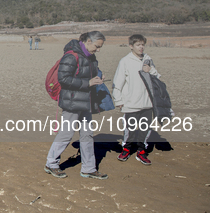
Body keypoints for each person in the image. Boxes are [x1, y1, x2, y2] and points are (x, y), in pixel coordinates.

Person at [45, 31, 108, 179]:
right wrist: (88, 83)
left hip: (86, 101)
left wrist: (99, 76)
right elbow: (63, 79)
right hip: (71, 102)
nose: (98, 50)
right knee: (66, 134)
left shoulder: (91, 57)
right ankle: (51, 164)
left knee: (87, 135)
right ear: (87, 41)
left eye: (100, 47)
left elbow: (89, 73)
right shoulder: (71, 56)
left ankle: (88, 168)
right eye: (97, 46)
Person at [112, 34, 159, 165]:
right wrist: (119, 100)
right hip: (130, 103)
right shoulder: (125, 61)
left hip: (147, 103)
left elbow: (157, 79)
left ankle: (141, 152)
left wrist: (151, 71)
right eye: (138, 45)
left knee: (145, 129)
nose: (141, 47)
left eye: (143, 44)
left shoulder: (148, 59)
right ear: (131, 46)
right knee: (130, 129)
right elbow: (117, 82)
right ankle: (126, 149)